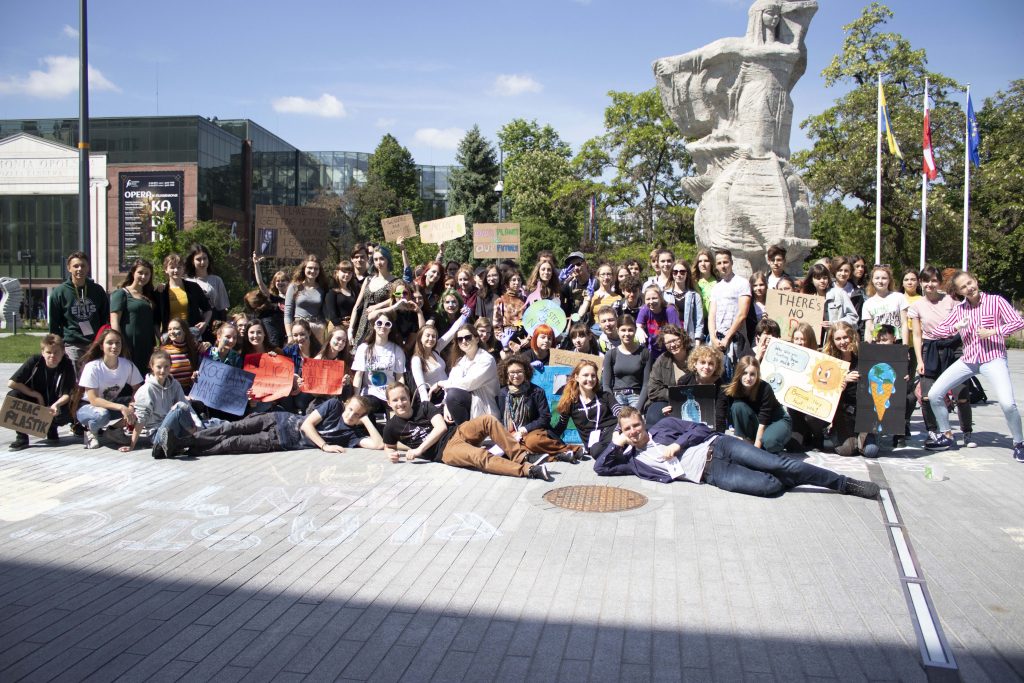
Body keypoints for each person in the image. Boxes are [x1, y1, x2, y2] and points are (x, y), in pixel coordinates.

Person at [593, 408, 880, 499]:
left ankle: (844, 484)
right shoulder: (634, 461)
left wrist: (678, 445)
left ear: (643, 422)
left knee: (780, 463)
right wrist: (616, 444)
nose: (633, 431)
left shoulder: (664, 426)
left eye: (635, 425)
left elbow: (701, 428)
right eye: (627, 429)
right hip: (712, 474)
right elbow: (601, 468)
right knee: (768, 486)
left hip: (719, 446)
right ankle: (790, 475)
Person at [923, 271, 1024, 460]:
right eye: (963, 287)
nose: (969, 288)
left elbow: (1018, 323)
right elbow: (936, 332)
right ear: (959, 292)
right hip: (968, 360)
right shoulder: (960, 310)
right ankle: (947, 436)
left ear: (975, 281)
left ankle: (1019, 442)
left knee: (1007, 404)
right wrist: (956, 327)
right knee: (935, 394)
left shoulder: (996, 301)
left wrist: (994, 331)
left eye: (970, 283)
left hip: (993, 358)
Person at [382, 383, 554, 481]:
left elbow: (441, 427)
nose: (400, 403)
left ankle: (521, 456)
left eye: (403, 398)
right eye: (395, 400)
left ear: (409, 397)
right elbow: (387, 447)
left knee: (488, 420)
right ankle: (527, 470)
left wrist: (419, 450)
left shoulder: (424, 406)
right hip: (445, 452)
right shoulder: (391, 426)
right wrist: (391, 454)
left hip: (456, 432)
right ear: (389, 403)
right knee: (479, 456)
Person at [166, 395, 383, 458]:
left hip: (280, 441)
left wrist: (364, 421)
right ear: (346, 403)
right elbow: (308, 425)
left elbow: (378, 444)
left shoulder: (352, 435)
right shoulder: (335, 405)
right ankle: (185, 441)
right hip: (277, 420)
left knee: (232, 444)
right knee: (229, 429)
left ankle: (186, 449)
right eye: (350, 409)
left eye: (357, 414)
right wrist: (325, 446)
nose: (350, 414)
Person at [909, 266, 973, 447]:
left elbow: (964, 324)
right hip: (930, 349)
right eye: (926, 280)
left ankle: (967, 432)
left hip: (954, 347)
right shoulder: (917, 306)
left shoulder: (951, 301)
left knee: (961, 393)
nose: (930, 284)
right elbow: (916, 335)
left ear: (939, 282)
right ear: (921, 282)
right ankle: (934, 431)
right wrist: (919, 361)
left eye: (934, 280)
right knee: (928, 395)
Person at [496, 356, 581, 463]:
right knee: (509, 449)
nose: (516, 375)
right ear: (506, 374)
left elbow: (545, 418)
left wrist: (524, 429)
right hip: (513, 433)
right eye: (512, 372)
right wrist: (510, 434)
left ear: (526, 372)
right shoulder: (503, 393)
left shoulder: (536, 391)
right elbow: (502, 418)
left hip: (535, 431)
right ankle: (558, 456)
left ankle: (571, 449)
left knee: (532, 442)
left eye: (519, 372)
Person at [76, 328, 144, 449]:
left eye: (118, 343)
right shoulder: (92, 367)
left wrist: (131, 407)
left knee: (143, 406)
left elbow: (138, 389)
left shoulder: (127, 365)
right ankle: (90, 431)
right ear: (102, 346)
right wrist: (122, 407)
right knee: (102, 415)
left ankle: (113, 430)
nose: (114, 346)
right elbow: (94, 400)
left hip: (109, 405)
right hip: (87, 408)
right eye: (110, 343)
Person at [6, 334, 75, 450]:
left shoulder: (67, 365)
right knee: (13, 396)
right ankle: (22, 437)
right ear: (43, 352)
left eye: (56, 352)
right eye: (49, 352)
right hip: (34, 401)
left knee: (74, 403)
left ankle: (51, 427)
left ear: (63, 352)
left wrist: (57, 404)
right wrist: (37, 395)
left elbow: (67, 393)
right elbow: (12, 383)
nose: (52, 356)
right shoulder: (35, 361)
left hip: (54, 403)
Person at [126, 349, 195, 455]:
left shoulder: (174, 384)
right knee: (180, 407)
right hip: (157, 433)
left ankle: (192, 437)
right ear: (151, 366)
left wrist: (197, 425)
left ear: (170, 366)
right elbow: (141, 419)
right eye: (159, 367)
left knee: (210, 422)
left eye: (166, 367)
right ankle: (196, 437)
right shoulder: (146, 390)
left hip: (173, 428)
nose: (162, 371)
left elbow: (187, 408)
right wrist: (131, 446)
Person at [48, 251, 109, 365]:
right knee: (76, 379)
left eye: (83, 266)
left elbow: (105, 317)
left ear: (88, 268)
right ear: (69, 268)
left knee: (94, 378)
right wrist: (56, 346)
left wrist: (102, 339)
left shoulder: (97, 290)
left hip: (95, 343)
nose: (79, 269)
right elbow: (54, 323)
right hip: (72, 344)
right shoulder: (59, 292)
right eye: (76, 266)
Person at [725, 356, 792, 454]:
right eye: (744, 373)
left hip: (776, 420)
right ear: (739, 374)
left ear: (757, 375)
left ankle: (781, 439)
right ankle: (750, 443)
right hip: (758, 420)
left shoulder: (765, 388)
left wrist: (756, 453)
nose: (748, 378)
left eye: (752, 374)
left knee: (770, 443)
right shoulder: (734, 388)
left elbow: (762, 423)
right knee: (737, 406)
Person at [554, 359, 621, 457]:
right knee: (596, 451)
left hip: (612, 432)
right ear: (576, 377)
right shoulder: (570, 402)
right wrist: (547, 439)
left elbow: (621, 414)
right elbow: (561, 426)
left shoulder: (605, 396)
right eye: (585, 375)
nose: (590, 379)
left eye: (593, 376)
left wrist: (617, 431)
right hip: (594, 445)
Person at [439, 323, 499, 422]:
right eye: (460, 339)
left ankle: (466, 434)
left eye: (468, 337)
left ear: (477, 339)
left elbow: (468, 384)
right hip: (465, 405)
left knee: (453, 395)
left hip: (484, 406)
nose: (464, 341)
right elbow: (451, 383)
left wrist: (441, 383)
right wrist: (446, 404)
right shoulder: (460, 362)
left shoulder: (486, 359)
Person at [110, 258, 159, 376]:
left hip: (147, 344)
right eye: (140, 273)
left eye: (147, 274)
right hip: (128, 345)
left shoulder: (149, 295)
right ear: (133, 273)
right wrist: (119, 343)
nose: (143, 276)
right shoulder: (122, 293)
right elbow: (114, 321)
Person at [351, 311, 406, 416]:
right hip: (370, 393)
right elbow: (359, 375)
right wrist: (355, 398)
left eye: (387, 324)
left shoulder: (397, 350)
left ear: (390, 328)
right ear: (374, 326)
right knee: (366, 412)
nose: (383, 327)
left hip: (390, 394)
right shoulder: (364, 348)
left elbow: (399, 377)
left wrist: (401, 397)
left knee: (395, 420)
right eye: (379, 323)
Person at [708, 249, 752, 379]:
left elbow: (742, 314)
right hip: (718, 339)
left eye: (725, 262)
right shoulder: (716, 287)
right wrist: (713, 337)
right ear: (716, 266)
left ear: (731, 263)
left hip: (735, 338)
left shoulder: (742, 283)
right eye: (719, 263)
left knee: (736, 374)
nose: (723, 265)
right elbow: (712, 314)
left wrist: (727, 338)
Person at [638, 325, 693, 425]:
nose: (672, 345)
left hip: (695, 398)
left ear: (683, 338)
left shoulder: (696, 355)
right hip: (668, 400)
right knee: (654, 417)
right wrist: (676, 395)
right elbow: (653, 389)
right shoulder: (662, 361)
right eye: (668, 342)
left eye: (675, 340)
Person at [800, 262, 858, 345]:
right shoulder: (808, 299)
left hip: (836, 342)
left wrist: (834, 323)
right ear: (811, 280)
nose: (822, 281)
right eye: (818, 278)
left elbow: (853, 317)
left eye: (825, 278)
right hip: (814, 342)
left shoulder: (840, 294)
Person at [157, 253, 211, 339]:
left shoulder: (193, 287)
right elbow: (156, 319)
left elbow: (207, 309)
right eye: (172, 267)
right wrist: (160, 336)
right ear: (166, 270)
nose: (176, 270)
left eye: (179, 267)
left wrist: (205, 323)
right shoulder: (161, 291)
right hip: (170, 334)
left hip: (191, 332)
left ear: (183, 269)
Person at [602, 314, 650, 408]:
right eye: (623, 330)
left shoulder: (644, 353)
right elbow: (606, 385)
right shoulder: (611, 354)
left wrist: (638, 408)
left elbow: (646, 384)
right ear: (617, 331)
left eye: (630, 330)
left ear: (635, 331)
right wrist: (613, 406)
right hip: (616, 398)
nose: (627, 334)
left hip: (636, 397)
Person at [284, 254, 329, 344]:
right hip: (299, 330)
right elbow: (288, 313)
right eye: (310, 268)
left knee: (316, 357)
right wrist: (289, 335)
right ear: (304, 269)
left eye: (316, 269)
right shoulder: (294, 287)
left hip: (317, 329)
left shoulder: (323, 288)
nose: (313, 271)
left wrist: (322, 326)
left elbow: (326, 312)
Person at [185, 244, 230, 327]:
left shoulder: (217, 280)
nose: (202, 262)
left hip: (213, 323)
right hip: (193, 323)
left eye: (205, 258)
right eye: (198, 259)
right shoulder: (187, 282)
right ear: (192, 261)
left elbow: (222, 308)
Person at [862, 265, 909, 343]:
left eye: (884, 278)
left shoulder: (899, 297)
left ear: (889, 280)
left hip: (896, 342)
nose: (880, 281)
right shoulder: (867, 303)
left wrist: (905, 346)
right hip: (877, 343)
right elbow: (868, 329)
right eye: (877, 278)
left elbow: (904, 324)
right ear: (872, 280)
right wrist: (868, 349)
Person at [636, 286, 681, 363]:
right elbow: (639, 323)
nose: (651, 302)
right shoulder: (645, 309)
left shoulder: (669, 310)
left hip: (669, 351)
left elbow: (676, 333)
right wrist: (639, 329)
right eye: (648, 299)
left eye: (654, 298)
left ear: (660, 297)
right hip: (652, 351)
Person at [667, 260, 704, 343]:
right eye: (675, 272)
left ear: (687, 274)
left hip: (689, 338)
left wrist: (697, 340)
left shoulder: (695, 296)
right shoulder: (665, 294)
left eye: (682, 272)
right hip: (670, 338)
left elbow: (699, 321)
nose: (678, 275)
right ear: (672, 274)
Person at [160, 318, 200, 393]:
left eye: (175, 329)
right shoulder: (164, 351)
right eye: (169, 329)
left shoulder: (194, 348)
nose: (171, 332)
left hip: (190, 391)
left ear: (184, 331)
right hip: (171, 392)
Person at [325, 259, 357, 333]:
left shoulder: (353, 291)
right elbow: (332, 315)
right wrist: (342, 324)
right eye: (344, 272)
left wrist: (351, 325)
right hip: (336, 327)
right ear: (337, 273)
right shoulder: (331, 291)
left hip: (351, 327)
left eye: (349, 273)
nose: (347, 275)